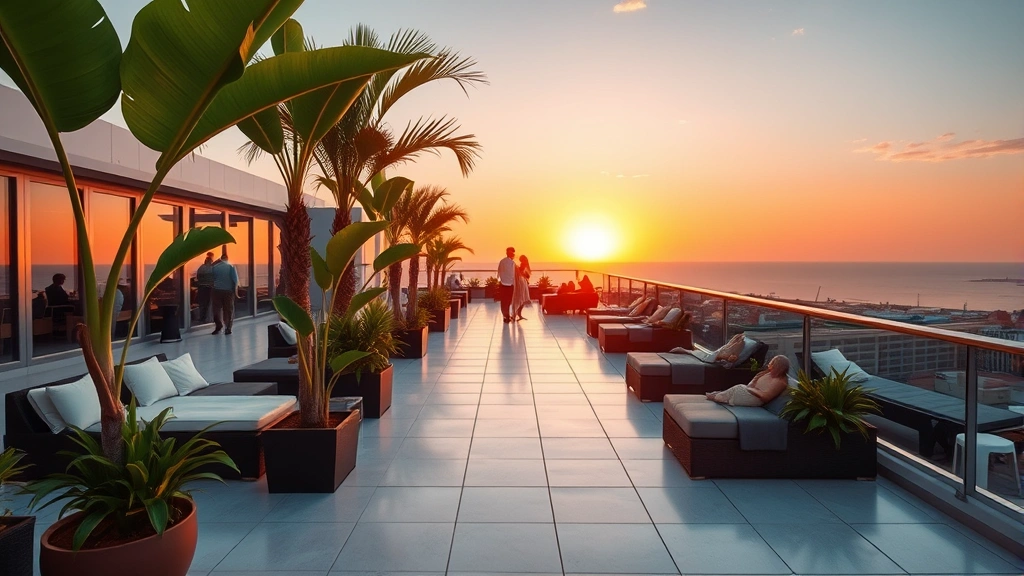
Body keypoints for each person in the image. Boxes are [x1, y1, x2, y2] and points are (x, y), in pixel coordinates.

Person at [706, 355, 791, 407]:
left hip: (755, 400)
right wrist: (754, 380)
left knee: (738, 387)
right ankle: (720, 395)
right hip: (750, 392)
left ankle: (719, 396)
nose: (769, 365)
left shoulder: (780, 382)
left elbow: (765, 397)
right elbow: (750, 385)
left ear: (778, 366)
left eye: (772, 363)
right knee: (738, 387)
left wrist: (750, 389)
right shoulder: (767, 373)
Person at [211, 251, 239, 335]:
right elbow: (235, 281)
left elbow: (213, 279)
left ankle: (218, 325)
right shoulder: (231, 267)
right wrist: (236, 293)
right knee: (228, 310)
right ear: (227, 258)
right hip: (228, 291)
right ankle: (228, 328)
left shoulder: (215, 267)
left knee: (216, 309)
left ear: (220, 259)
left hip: (217, 290)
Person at [497, 246, 516, 323]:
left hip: (503, 284)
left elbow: (499, 272)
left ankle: (506, 316)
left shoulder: (502, 261)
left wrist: (500, 280)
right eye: (512, 252)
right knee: (508, 301)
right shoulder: (512, 263)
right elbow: (513, 274)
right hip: (509, 285)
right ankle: (507, 316)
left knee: (504, 301)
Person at [196, 252, 215, 323]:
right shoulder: (212, 268)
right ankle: (208, 318)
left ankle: (202, 317)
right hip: (209, 287)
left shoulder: (201, 268)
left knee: (202, 303)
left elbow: (198, 277)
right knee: (208, 303)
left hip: (201, 287)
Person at [512, 254, 532, 321]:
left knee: (520, 298)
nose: (519, 260)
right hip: (523, 282)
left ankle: (517, 313)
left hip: (521, 282)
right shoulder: (527, 265)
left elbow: (520, 272)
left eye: (520, 259)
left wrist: (516, 267)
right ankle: (518, 314)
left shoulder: (523, 264)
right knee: (522, 298)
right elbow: (527, 275)